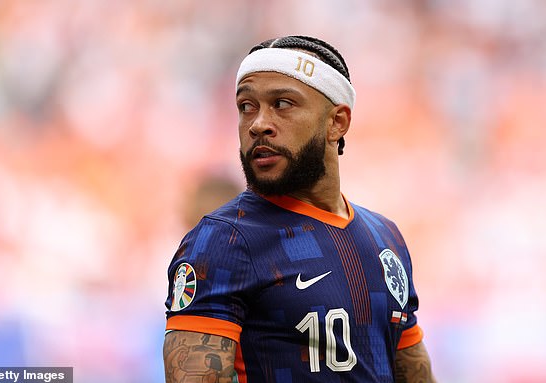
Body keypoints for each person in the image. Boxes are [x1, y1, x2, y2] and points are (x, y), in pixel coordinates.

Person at [163, 35, 436, 383]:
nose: (258, 123)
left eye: (283, 103)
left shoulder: (386, 237)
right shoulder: (225, 240)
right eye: (246, 106)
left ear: (337, 122)